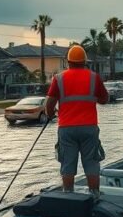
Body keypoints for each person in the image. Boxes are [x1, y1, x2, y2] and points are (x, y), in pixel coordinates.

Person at [44, 44, 109, 198]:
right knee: (91, 162)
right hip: (89, 127)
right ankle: (94, 194)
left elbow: (49, 103)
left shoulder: (58, 78)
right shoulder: (94, 77)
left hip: (67, 128)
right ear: (85, 61)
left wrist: (50, 114)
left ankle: (68, 194)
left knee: (67, 162)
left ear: (68, 61)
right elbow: (105, 99)